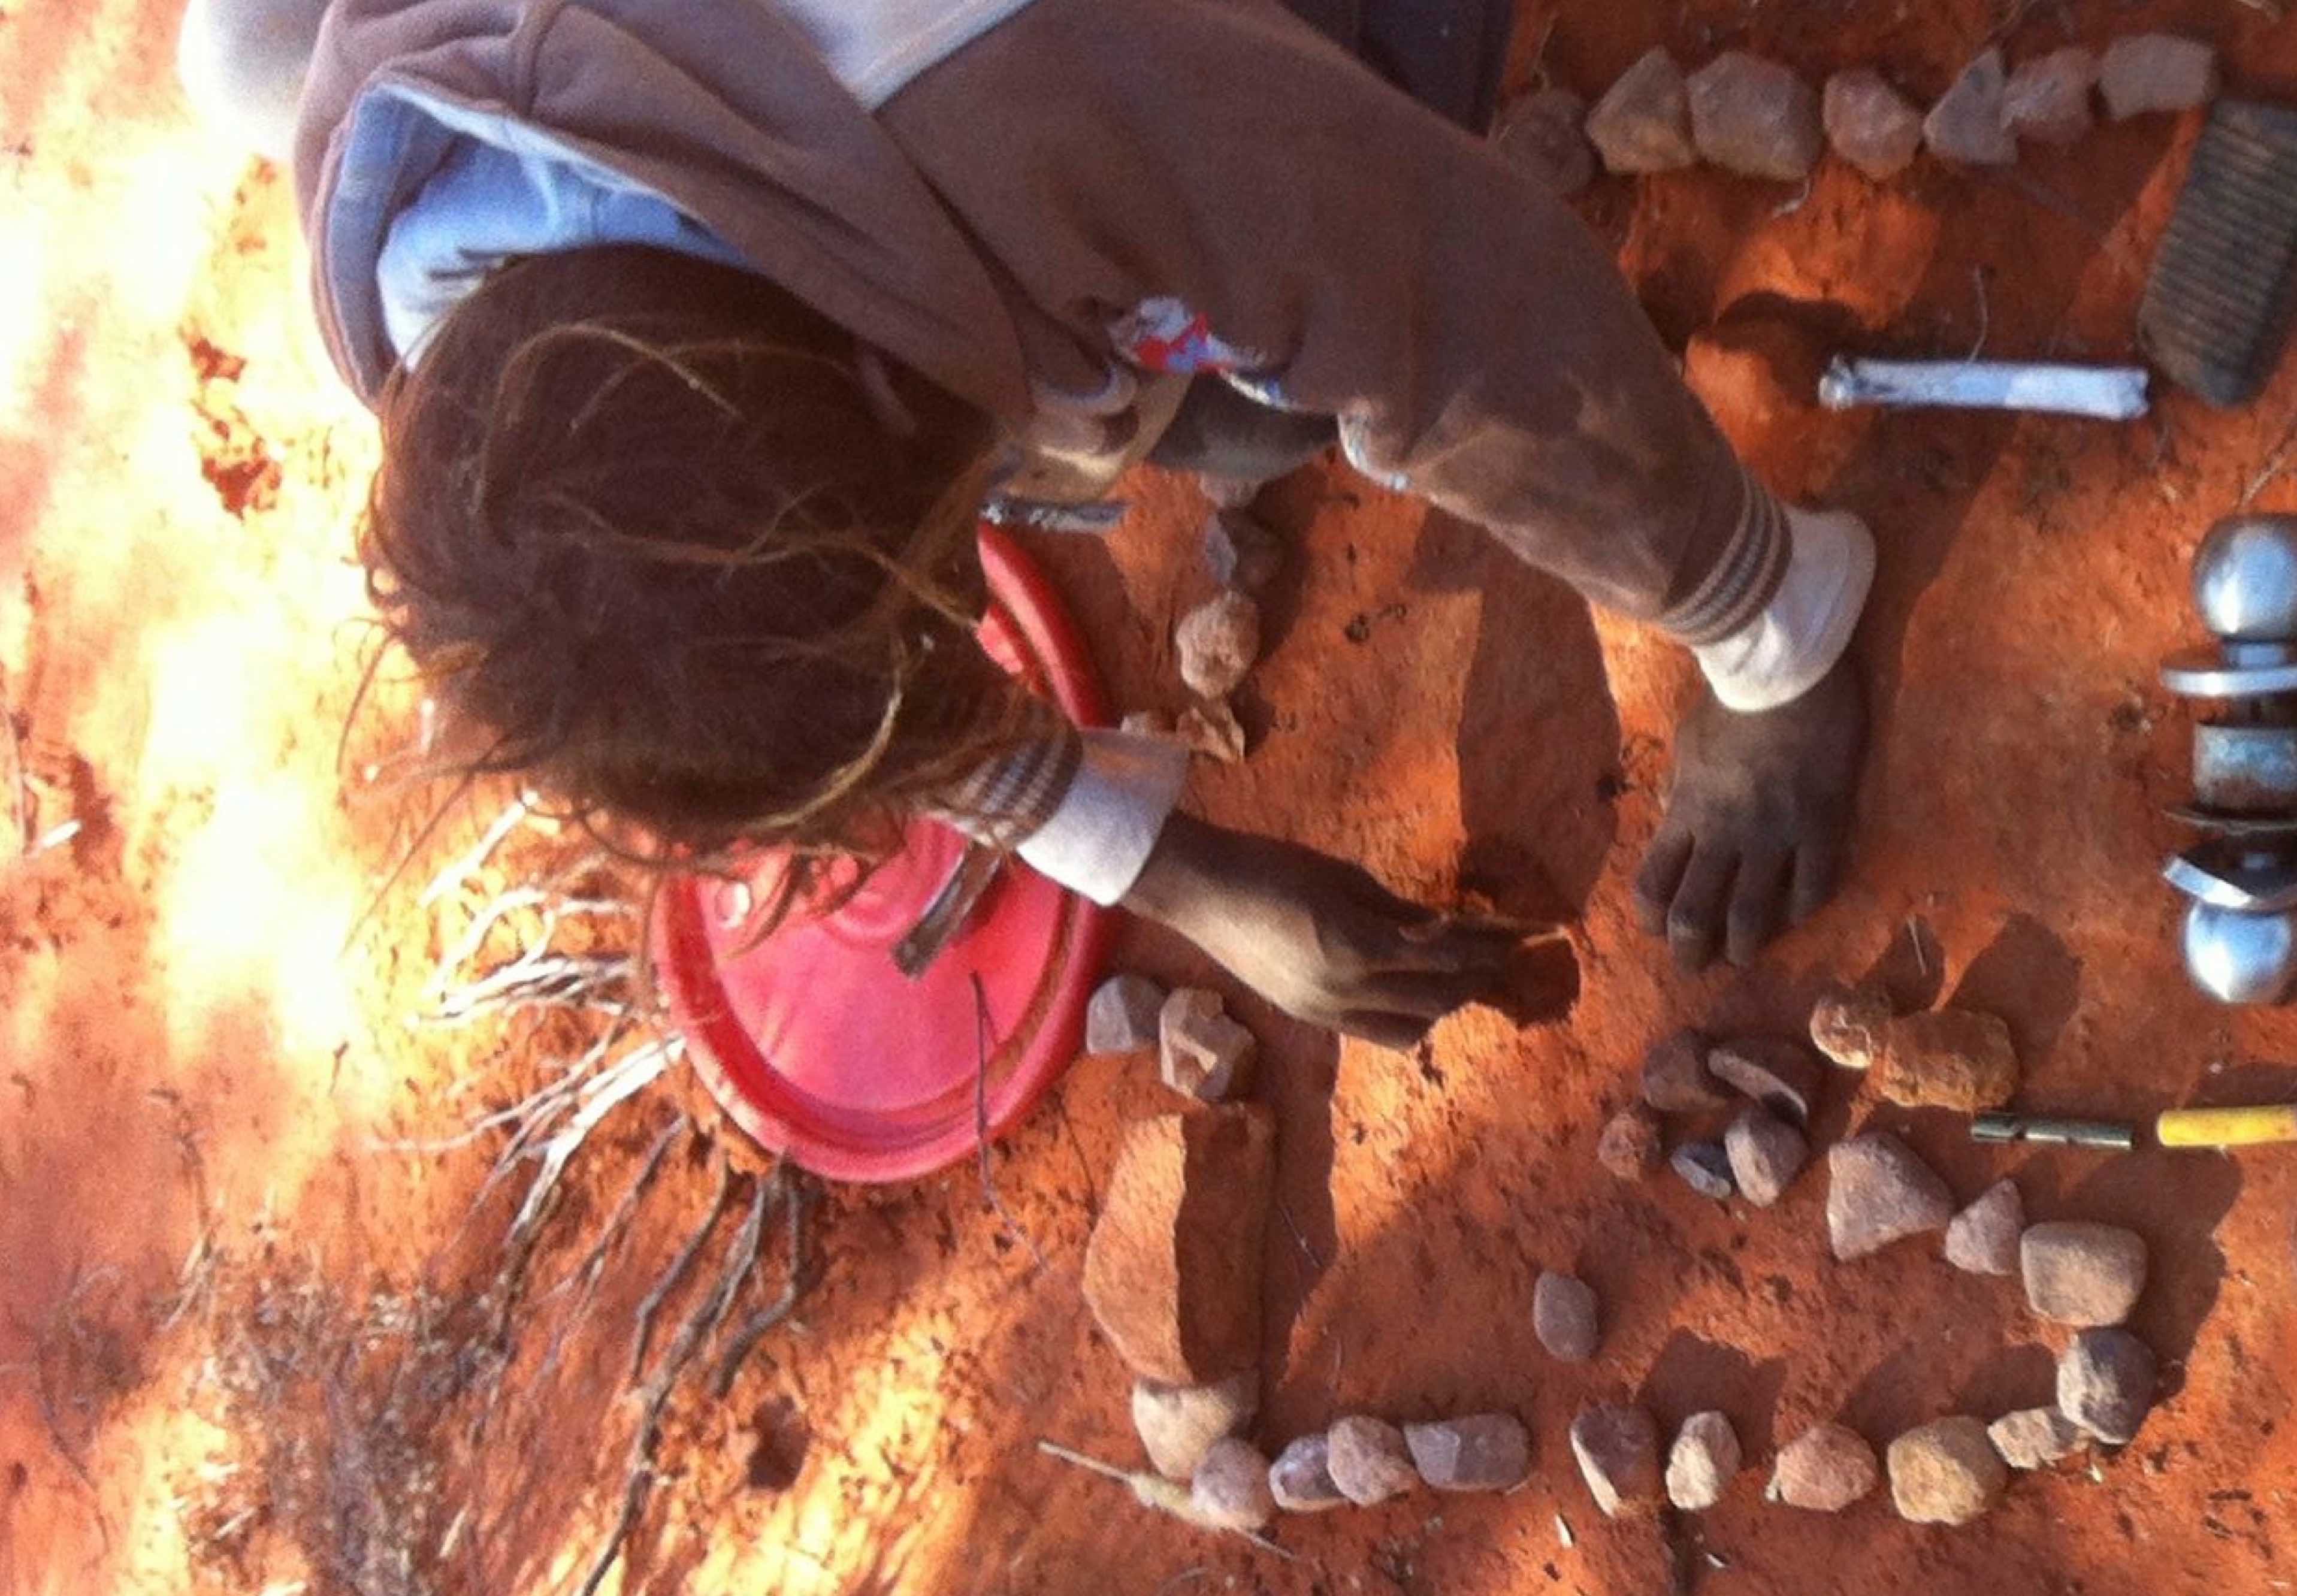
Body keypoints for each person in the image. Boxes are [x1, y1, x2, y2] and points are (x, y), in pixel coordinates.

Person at [183, 0, 1874, 1045]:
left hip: (1010, 70)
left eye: (931, 585)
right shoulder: (428, 313)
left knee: (1274, 361)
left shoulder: (1006, 85)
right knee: (242, 61)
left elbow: (1476, 319)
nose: (950, 619)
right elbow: (788, 656)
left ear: (878, 381)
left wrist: (1765, 632)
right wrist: (1167, 866)